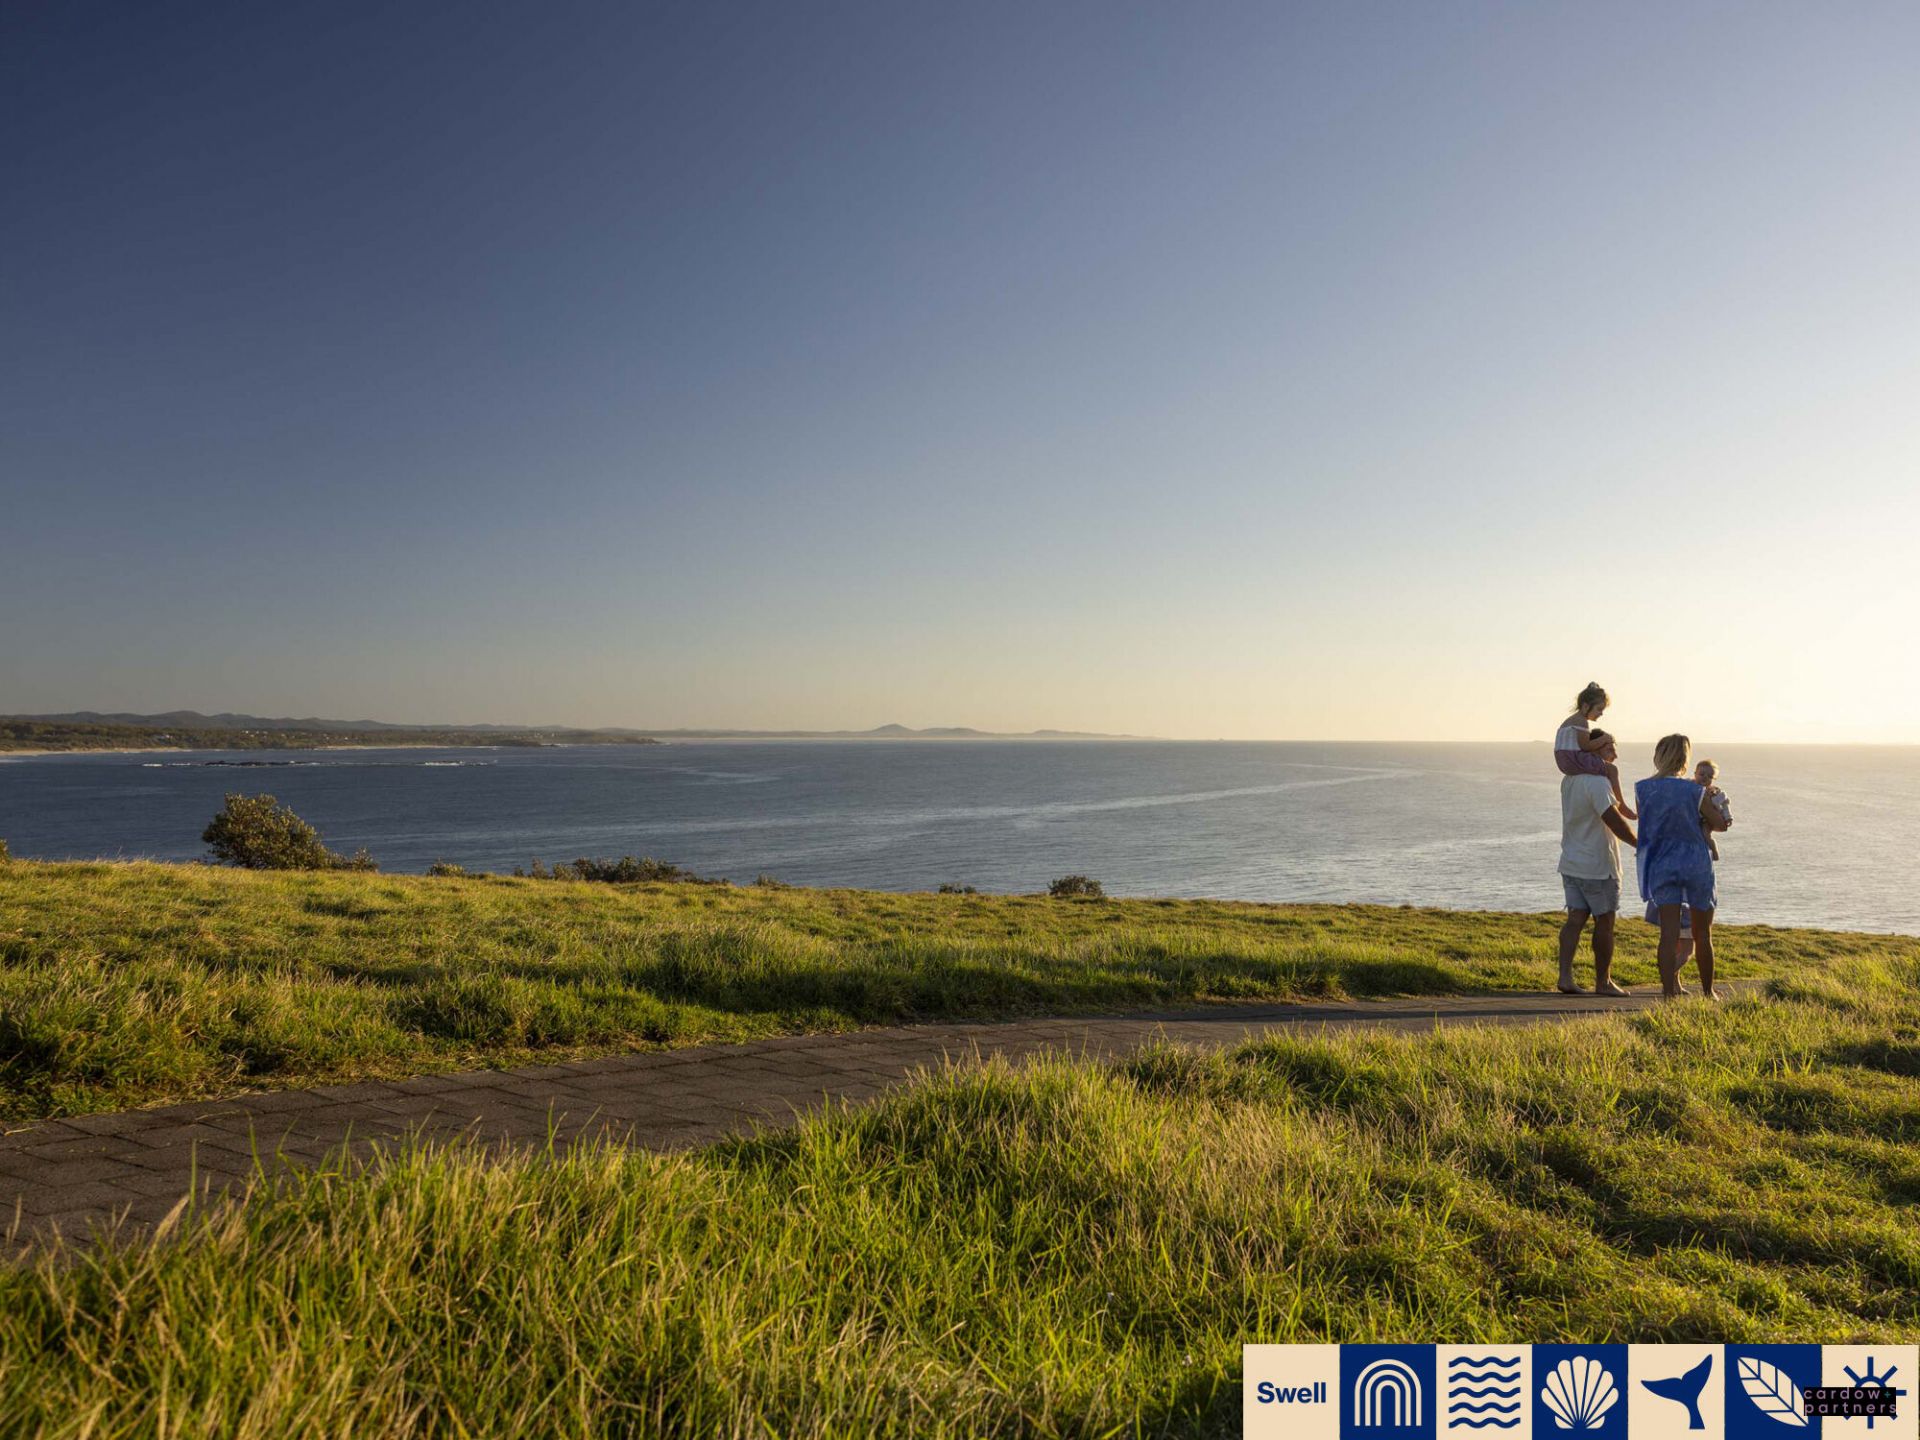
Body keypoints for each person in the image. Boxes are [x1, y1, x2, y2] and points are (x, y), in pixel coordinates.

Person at [1635, 733, 1732, 1000]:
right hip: (1694, 862)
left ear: (1658, 756)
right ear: (1685, 760)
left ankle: (1668, 993)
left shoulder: (1642, 789)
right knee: (1702, 933)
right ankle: (1708, 992)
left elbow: (1647, 825)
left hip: (1662, 863)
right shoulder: (1695, 791)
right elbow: (1720, 824)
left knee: (1668, 934)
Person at [1557, 734, 1638, 996]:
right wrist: (1640, 844)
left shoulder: (1569, 780)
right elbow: (1613, 819)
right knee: (1605, 922)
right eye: (1610, 749)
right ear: (1593, 749)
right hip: (1598, 866)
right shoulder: (1597, 782)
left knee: (1575, 920)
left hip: (1571, 861)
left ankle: (1565, 977)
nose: (1615, 755)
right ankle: (1603, 982)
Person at [1556, 682, 1636, 818]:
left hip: (1565, 762)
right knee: (1612, 769)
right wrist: (1604, 738)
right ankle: (1621, 804)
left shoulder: (1569, 721)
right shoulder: (1581, 721)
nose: (1601, 713)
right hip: (1574, 759)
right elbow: (1585, 746)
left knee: (1604, 767)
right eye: (1599, 709)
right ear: (1585, 706)